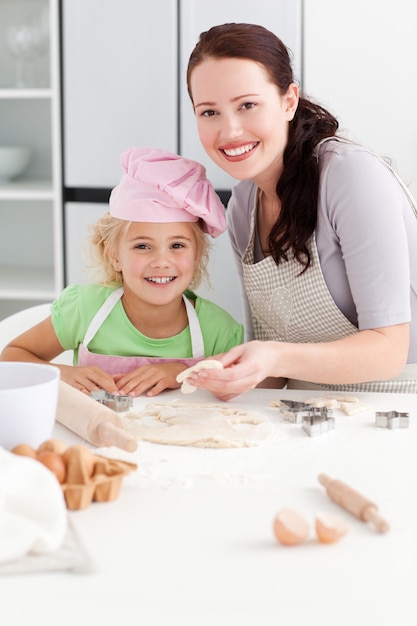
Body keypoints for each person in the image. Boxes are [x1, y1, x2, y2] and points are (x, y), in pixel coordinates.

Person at [183, 22, 417, 400]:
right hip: (304, 409)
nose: (229, 131)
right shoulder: (243, 205)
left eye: (247, 105)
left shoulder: (349, 176)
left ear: (288, 100)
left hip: (398, 405)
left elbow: (390, 350)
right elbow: (274, 368)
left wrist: (273, 359)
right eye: (209, 112)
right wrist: (196, 375)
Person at [0, 147, 243, 397]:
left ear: (196, 256)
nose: (161, 261)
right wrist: (64, 374)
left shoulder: (218, 330)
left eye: (177, 245)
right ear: (114, 255)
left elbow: (241, 391)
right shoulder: (84, 309)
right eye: (142, 246)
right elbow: (12, 357)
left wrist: (181, 373)